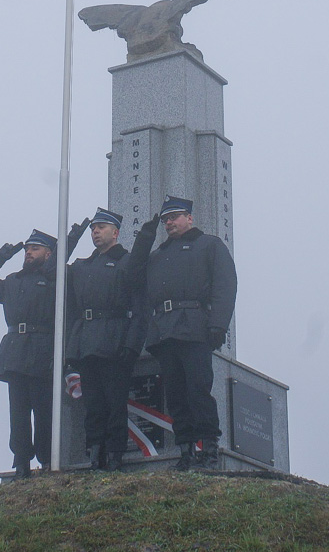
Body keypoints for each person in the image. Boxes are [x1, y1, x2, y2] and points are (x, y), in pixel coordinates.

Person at [0, 221, 89, 480]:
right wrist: (0, 258)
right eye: (27, 249)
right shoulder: (12, 281)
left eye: (35, 248)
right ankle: (21, 459)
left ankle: (47, 459)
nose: (29, 253)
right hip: (14, 352)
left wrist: (70, 239)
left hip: (43, 351)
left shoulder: (55, 279)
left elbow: (59, 272)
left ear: (49, 253)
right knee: (19, 412)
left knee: (43, 410)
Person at [138, 195, 237, 472]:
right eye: (166, 219)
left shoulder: (209, 245)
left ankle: (210, 451)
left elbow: (225, 285)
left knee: (198, 391)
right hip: (165, 332)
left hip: (195, 328)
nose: (170, 222)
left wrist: (218, 324)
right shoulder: (157, 255)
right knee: (177, 396)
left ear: (190, 218)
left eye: (175, 217)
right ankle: (186, 451)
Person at [65, 207, 152, 472]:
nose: (95, 232)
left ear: (115, 232)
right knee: (93, 404)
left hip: (115, 341)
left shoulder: (127, 262)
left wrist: (132, 344)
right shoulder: (81, 266)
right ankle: (95, 453)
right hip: (87, 343)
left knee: (115, 403)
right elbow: (52, 272)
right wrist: (70, 239)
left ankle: (115, 454)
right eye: (93, 228)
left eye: (100, 227)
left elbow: (140, 308)